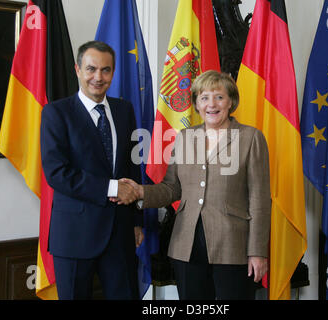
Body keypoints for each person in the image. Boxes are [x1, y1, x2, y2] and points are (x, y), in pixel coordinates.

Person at [117, 70, 271, 300]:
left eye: (219, 97)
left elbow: (259, 200)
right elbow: (172, 188)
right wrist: (140, 192)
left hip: (233, 246)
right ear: (197, 104)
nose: (212, 104)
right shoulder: (186, 137)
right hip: (186, 245)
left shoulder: (250, 138)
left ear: (231, 101)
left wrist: (257, 252)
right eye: (204, 97)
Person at [40, 40, 143, 300]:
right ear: (77, 69)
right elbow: (57, 172)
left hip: (120, 233)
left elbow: (132, 167)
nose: (98, 77)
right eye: (91, 69)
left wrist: (137, 221)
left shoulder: (124, 110)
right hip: (75, 234)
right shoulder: (56, 113)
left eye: (106, 70)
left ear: (113, 72)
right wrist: (111, 188)